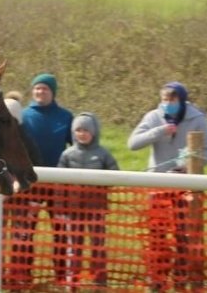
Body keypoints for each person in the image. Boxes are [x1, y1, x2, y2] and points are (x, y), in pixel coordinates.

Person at [128, 82, 207, 289]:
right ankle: (156, 280)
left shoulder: (197, 119)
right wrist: (159, 131)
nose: (168, 104)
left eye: (172, 100)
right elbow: (133, 144)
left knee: (184, 236)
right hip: (157, 186)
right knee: (156, 236)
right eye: (165, 100)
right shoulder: (153, 116)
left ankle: (182, 280)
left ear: (182, 100)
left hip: (185, 186)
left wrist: (190, 166)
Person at [6, 73, 75, 286]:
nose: (40, 92)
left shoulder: (65, 117)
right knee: (24, 233)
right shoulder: (24, 116)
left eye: (44, 89)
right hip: (30, 182)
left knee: (62, 233)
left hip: (58, 183)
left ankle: (62, 278)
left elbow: (76, 146)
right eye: (37, 88)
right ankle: (22, 278)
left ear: (52, 92)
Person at [57, 113, 119, 286]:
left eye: (85, 130)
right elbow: (60, 184)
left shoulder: (103, 154)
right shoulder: (67, 154)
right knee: (74, 247)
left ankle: (100, 282)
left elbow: (116, 175)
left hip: (96, 208)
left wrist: (104, 182)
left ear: (94, 132)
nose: (82, 134)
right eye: (78, 130)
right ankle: (72, 282)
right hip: (73, 209)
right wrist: (60, 207)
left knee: (98, 246)